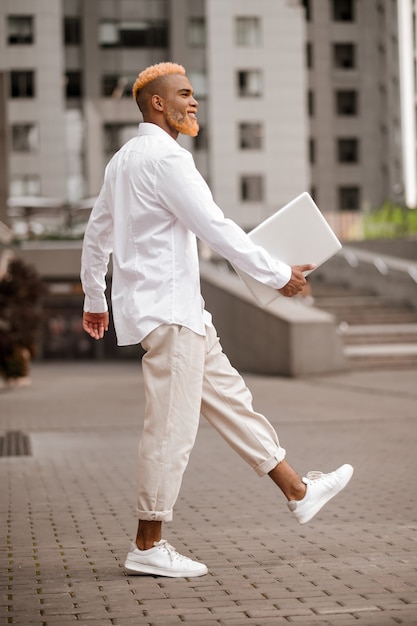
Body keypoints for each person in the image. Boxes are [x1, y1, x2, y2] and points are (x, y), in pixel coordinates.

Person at [81, 62, 353, 579]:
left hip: (180, 314)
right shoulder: (167, 160)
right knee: (169, 431)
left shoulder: (123, 160)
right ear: (157, 103)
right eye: (184, 94)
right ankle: (148, 543)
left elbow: (97, 235)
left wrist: (96, 296)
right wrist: (279, 276)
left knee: (233, 403)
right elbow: (218, 230)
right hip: (171, 312)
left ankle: (298, 490)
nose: (193, 102)